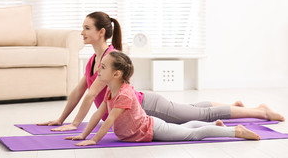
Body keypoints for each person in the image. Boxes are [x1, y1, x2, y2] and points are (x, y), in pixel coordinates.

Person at [38, 11, 284, 131]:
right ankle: (236, 105)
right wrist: (62, 118)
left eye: (86, 28)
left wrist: (75, 124)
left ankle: (261, 112)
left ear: (101, 32)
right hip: (142, 105)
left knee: (203, 115)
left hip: (146, 106)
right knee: (195, 109)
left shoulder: (110, 57)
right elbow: (79, 91)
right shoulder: (93, 58)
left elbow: (92, 95)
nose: (81, 32)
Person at [65, 51, 261, 146]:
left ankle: (236, 132)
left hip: (150, 129)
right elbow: (99, 114)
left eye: (104, 67)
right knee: (184, 128)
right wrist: (84, 135)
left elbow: (109, 120)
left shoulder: (125, 93)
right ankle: (218, 126)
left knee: (193, 135)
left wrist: (94, 140)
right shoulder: (110, 90)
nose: (98, 69)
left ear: (117, 74)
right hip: (148, 127)